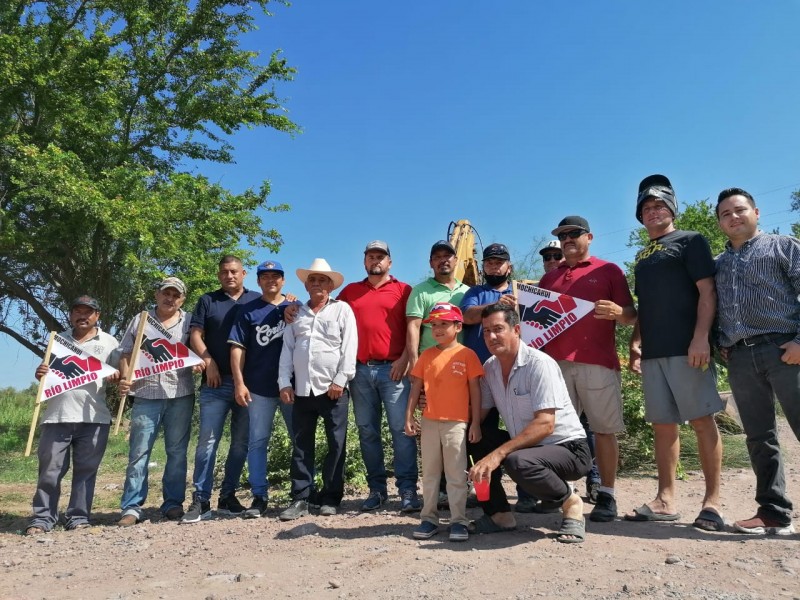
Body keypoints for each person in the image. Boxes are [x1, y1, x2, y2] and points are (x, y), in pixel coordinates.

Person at [626, 174, 724, 531]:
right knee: (663, 426)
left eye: (659, 206)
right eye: (646, 208)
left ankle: (711, 502)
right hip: (654, 352)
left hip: (688, 349)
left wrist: (701, 338)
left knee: (701, 420)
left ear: (672, 208)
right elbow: (646, 303)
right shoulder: (642, 254)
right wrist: (636, 342)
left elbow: (707, 292)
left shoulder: (691, 241)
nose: (653, 212)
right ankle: (665, 499)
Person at [539, 216, 636, 523]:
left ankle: (607, 494)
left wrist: (620, 313)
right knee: (559, 434)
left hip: (598, 363)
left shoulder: (609, 270)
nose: (568, 238)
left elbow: (632, 314)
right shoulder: (548, 279)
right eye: (562, 235)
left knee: (604, 430)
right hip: (556, 367)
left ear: (589, 237)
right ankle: (565, 494)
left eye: (574, 233)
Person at [715, 187, 800, 535]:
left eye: (739, 210)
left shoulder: (784, 246)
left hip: (785, 349)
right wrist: (722, 343)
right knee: (759, 437)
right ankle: (773, 512)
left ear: (756, 212)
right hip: (739, 356)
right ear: (720, 223)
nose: (733, 217)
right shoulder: (717, 264)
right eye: (725, 214)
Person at [468, 304, 591, 543]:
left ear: (516, 330)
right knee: (473, 437)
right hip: (529, 449)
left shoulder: (539, 364)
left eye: (498, 329)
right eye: (485, 331)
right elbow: (478, 415)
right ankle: (499, 515)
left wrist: (498, 454)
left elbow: (545, 425)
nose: (491, 337)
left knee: (516, 460)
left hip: (569, 449)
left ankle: (571, 501)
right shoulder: (490, 368)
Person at [25, 296, 120, 534]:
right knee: (49, 471)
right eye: (77, 311)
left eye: (88, 312)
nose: (82, 316)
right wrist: (41, 372)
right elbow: (46, 373)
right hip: (57, 416)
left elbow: (123, 372)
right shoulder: (57, 341)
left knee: (86, 472)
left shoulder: (110, 343)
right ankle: (42, 519)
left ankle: (78, 518)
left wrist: (118, 375)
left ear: (97, 315)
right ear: (70, 315)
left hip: (94, 417)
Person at [338, 241, 421, 512]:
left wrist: (406, 359)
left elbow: (414, 328)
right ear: (364, 261)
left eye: (381, 256)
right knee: (367, 431)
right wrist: (292, 306)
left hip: (394, 370)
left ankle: (408, 490)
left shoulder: (403, 290)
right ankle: (377, 490)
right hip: (360, 370)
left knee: (402, 430)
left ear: (390, 262)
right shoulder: (350, 291)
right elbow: (325, 311)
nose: (376, 260)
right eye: (371, 256)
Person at [278, 259, 357, 520]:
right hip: (302, 389)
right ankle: (301, 497)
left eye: (322, 280)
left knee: (336, 444)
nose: (316, 284)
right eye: (312, 280)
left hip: (333, 389)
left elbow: (349, 347)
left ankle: (331, 497)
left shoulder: (342, 310)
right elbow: (287, 349)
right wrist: (284, 383)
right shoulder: (295, 313)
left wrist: (340, 380)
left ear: (331, 285)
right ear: (306, 284)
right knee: (301, 445)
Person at [184, 256, 261, 522]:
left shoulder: (256, 299)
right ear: (219, 275)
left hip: (248, 384)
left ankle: (228, 495)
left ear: (244, 273)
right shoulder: (208, 300)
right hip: (215, 383)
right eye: (225, 272)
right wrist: (208, 361)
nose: (230, 276)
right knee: (207, 441)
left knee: (241, 443)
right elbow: (195, 334)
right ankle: (201, 500)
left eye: (234, 271)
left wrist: (291, 301)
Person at [118, 277, 200, 526]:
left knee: (176, 453)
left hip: (180, 393)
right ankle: (131, 507)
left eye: (176, 295)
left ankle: (173, 503)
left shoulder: (188, 321)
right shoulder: (141, 319)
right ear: (157, 294)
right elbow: (125, 353)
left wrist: (197, 361)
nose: (170, 299)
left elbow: (197, 349)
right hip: (146, 393)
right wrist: (125, 377)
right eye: (166, 293)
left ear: (182, 299)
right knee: (139, 452)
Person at [404, 303, 482, 542]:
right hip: (429, 422)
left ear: (458, 326)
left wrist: (475, 423)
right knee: (429, 473)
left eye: (444, 324)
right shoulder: (427, 355)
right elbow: (416, 387)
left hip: (457, 424)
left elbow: (476, 392)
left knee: (457, 474)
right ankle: (429, 519)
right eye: (434, 325)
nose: (437, 329)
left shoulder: (467, 355)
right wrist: (409, 417)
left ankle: (459, 520)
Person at [225, 260, 294, 520]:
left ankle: (301, 493)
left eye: (276, 276)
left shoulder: (294, 308)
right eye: (265, 276)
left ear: (283, 280)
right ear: (258, 281)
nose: (271, 280)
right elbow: (237, 348)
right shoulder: (247, 310)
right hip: (259, 387)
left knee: (299, 440)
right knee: (257, 441)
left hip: (291, 387)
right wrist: (239, 382)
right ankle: (259, 495)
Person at [406, 240, 470, 369]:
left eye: (447, 256)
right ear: (431, 263)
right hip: (430, 363)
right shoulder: (420, 291)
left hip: (461, 363)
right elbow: (413, 327)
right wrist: (414, 361)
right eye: (437, 257)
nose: (443, 260)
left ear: (456, 260)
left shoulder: (467, 291)